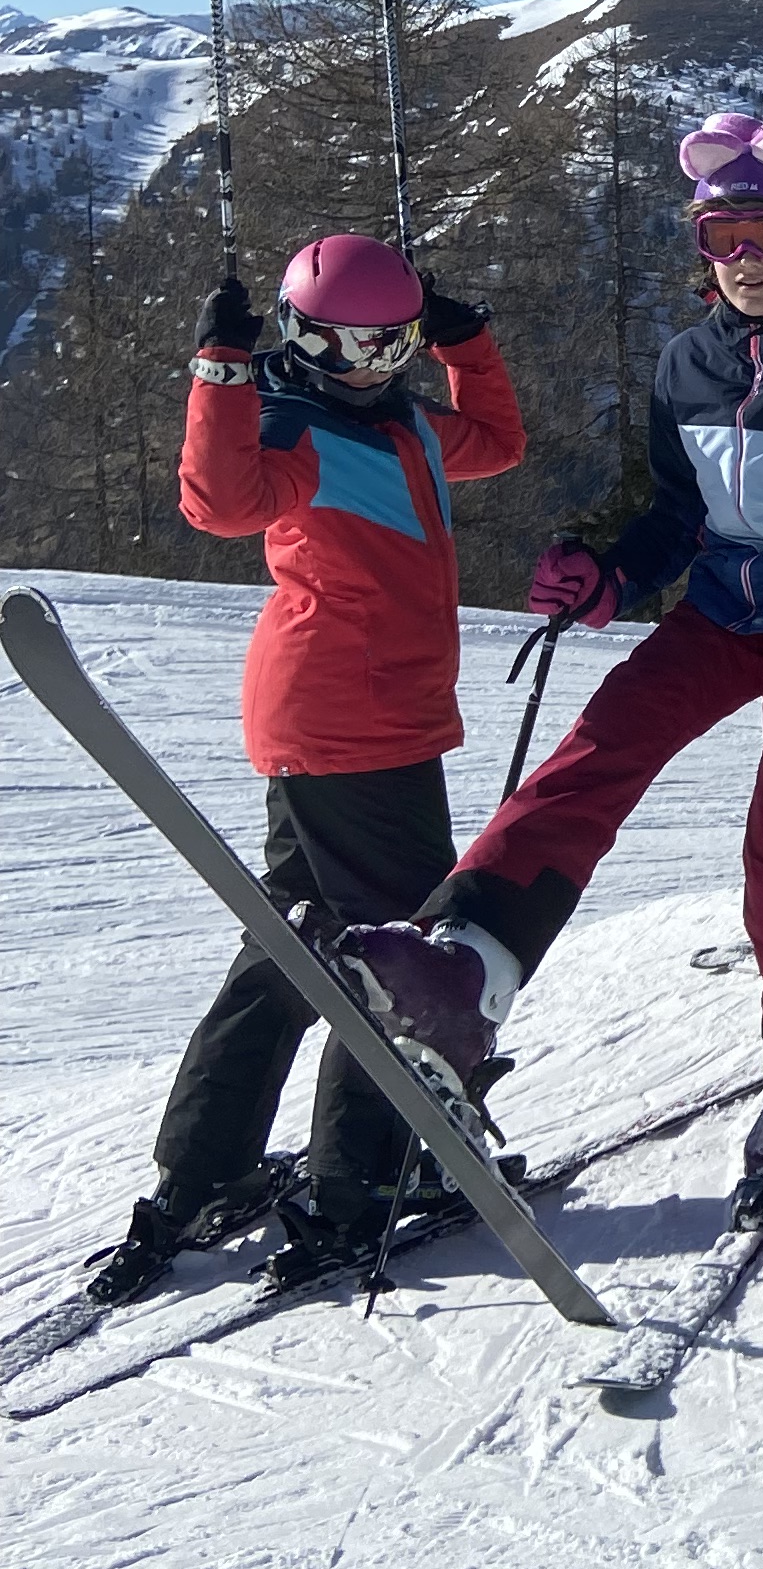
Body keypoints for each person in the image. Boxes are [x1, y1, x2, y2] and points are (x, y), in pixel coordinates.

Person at [333, 114, 763, 1221]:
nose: (746, 258)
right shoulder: (688, 365)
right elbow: (678, 513)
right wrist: (610, 575)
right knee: (593, 755)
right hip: (721, 615)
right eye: (722, 236)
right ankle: (466, 967)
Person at [84, 236, 526, 1305]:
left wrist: (467, 342)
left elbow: (500, 443)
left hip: (355, 721)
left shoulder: (407, 422)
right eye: (336, 344)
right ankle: (358, 1182)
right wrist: (220, 370)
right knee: (396, 957)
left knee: (288, 947)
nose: (363, 365)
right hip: (352, 726)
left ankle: (206, 1165)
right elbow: (220, 503)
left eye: (389, 343)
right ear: (294, 334)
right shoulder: (294, 425)